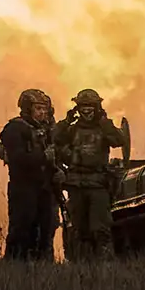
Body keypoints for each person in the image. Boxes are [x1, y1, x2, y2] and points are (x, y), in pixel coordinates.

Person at [49, 89, 127, 260]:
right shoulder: (71, 129)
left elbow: (119, 140)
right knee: (78, 230)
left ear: (97, 107)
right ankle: (81, 267)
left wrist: (105, 123)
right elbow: (53, 137)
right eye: (83, 107)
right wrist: (66, 121)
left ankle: (105, 268)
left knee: (100, 229)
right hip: (76, 185)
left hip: (98, 185)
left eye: (90, 106)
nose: (86, 111)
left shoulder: (103, 128)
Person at [0, 88, 61, 261]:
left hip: (45, 188)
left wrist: (59, 171)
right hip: (23, 188)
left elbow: (58, 154)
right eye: (38, 109)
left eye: (44, 109)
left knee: (47, 230)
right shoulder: (15, 129)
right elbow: (18, 158)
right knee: (22, 230)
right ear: (28, 109)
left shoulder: (48, 131)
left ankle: (44, 268)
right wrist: (42, 157)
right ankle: (16, 267)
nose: (42, 113)